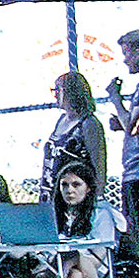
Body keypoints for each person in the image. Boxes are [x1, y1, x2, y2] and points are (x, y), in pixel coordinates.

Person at [104, 32, 139, 249]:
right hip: (138, 171)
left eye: (127, 53)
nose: (125, 60)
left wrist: (115, 98)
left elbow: (133, 126)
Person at [44, 73, 107, 202]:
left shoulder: (88, 123)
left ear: (71, 92)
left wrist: (97, 197)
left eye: (58, 90)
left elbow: (99, 165)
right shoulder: (61, 120)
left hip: (75, 195)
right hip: (53, 193)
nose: (55, 95)